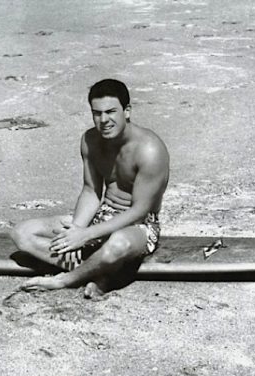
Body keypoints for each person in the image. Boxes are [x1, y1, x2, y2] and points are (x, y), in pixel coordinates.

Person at [11, 79, 170, 298]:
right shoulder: (90, 140)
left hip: (138, 226)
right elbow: (91, 191)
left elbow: (139, 211)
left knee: (118, 244)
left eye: (111, 112)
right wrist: (75, 231)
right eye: (97, 113)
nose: (104, 120)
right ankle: (103, 271)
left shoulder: (150, 150)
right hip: (101, 217)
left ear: (127, 111)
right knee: (22, 233)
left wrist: (86, 235)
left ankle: (66, 279)